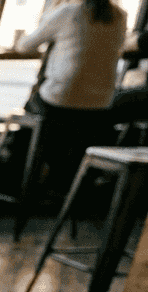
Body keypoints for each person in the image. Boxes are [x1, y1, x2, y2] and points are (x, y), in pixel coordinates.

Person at [15, 0, 128, 195]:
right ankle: (61, 184)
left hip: (61, 100)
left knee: (33, 109)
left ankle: (22, 177)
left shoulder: (68, 12)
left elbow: (25, 46)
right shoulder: (120, 15)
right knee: (70, 133)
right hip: (100, 105)